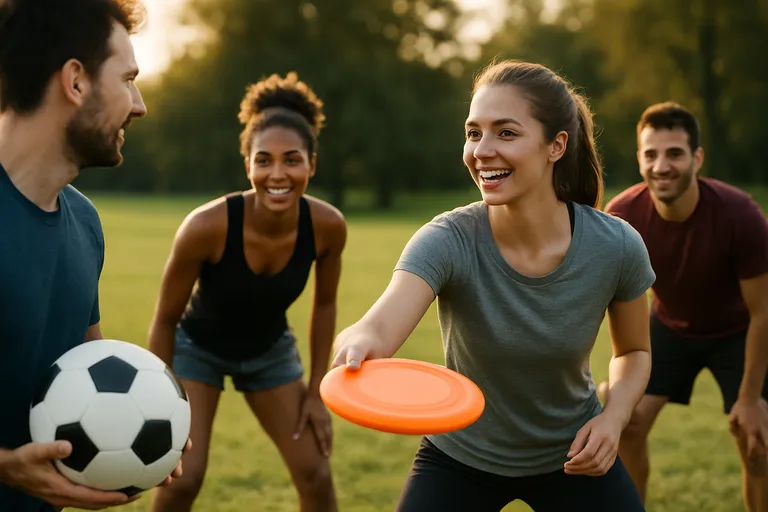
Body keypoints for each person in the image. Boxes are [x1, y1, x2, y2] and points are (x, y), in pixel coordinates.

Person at [331, 59, 655, 512]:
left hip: (572, 452)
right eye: (473, 132)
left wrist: (613, 421)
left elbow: (634, 353)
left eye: (506, 133)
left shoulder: (616, 246)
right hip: (459, 456)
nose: (482, 150)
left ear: (556, 145)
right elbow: (379, 325)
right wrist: (357, 341)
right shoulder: (448, 239)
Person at [0, 1, 187, 511]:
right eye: (127, 79)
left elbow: (85, 363)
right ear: (76, 82)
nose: (140, 103)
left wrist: (150, 419)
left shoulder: (84, 221)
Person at [147, 71, 347, 512]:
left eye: (292, 159)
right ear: (248, 165)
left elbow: (326, 305)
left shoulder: (328, 226)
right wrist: (161, 404)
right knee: (182, 479)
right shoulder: (206, 227)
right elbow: (164, 318)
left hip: (269, 351)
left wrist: (316, 393)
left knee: (314, 471)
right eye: (265, 160)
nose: (278, 173)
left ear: (312, 164)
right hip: (196, 348)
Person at [600, 101, 768, 511]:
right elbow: (616, 308)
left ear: (696, 158)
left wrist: (749, 399)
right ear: (639, 159)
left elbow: (763, 311)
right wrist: (618, 388)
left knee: (756, 439)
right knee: (628, 423)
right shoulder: (621, 217)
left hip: (738, 330)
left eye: (674, 153)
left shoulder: (739, 215)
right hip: (670, 326)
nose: (662, 166)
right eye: (650, 154)